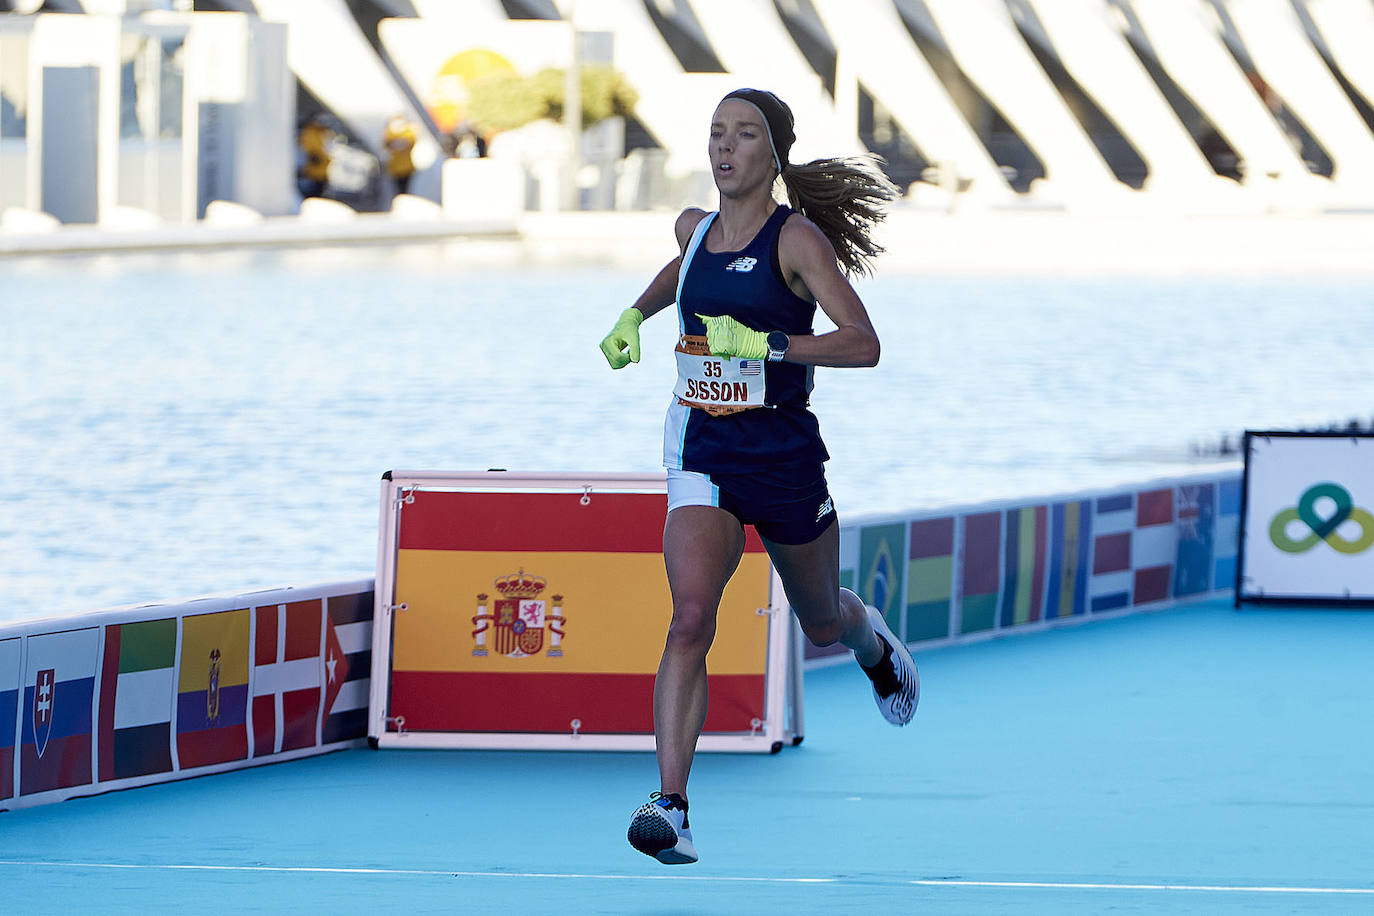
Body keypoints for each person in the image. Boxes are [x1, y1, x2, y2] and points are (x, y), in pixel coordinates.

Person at [598, 88, 920, 866]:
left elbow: (862, 344)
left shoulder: (797, 241)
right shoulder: (694, 226)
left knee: (818, 621)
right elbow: (681, 270)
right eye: (716, 133)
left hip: (783, 459)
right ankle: (670, 807)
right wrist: (633, 318)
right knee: (689, 618)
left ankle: (871, 642)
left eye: (744, 135)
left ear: (773, 154)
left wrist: (770, 345)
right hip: (703, 451)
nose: (725, 147)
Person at [383, 114, 417, 196]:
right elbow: (387, 144)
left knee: (405, 189)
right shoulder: (389, 133)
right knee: (397, 189)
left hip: (407, 168)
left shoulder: (408, 133)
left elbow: (411, 142)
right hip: (395, 168)